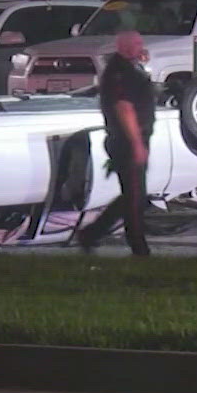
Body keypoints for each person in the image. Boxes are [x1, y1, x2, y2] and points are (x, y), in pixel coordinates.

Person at [78, 30, 155, 255]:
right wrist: (137, 143)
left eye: (141, 42)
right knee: (134, 197)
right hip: (126, 141)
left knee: (134, 195)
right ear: (123, 47)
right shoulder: (120, 72)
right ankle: (137, 246)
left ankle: (93, 233)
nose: (141, 47)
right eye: (136, 44)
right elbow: (124, 108)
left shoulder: (129, 67)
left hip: (133, 139)